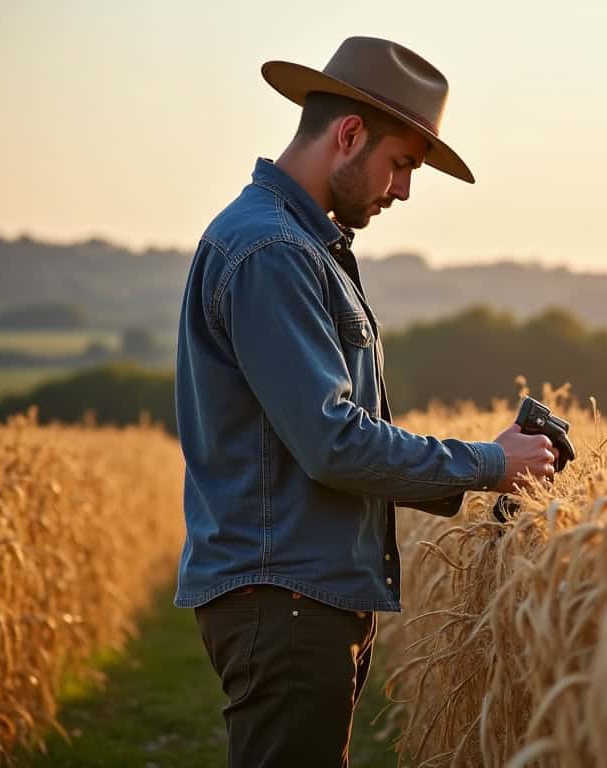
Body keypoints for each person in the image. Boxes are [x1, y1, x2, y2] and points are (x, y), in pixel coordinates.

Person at [172, 36, 553, 767]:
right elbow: (334, 442)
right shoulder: (274, 252)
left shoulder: (296, 247)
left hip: (299, 595)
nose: (404, 188)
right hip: (285, 602)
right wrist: (489, 463)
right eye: (402, 163)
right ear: (349, 134)